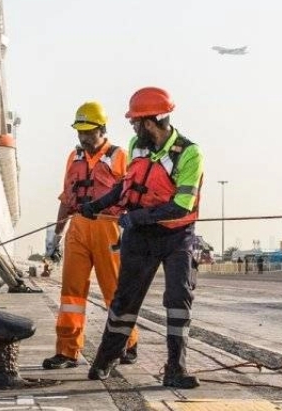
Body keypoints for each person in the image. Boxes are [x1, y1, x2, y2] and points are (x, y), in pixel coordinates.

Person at [79, 87, 205, 388]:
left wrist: (136, 217)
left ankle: (176, 369)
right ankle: (105, 360)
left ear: (149, 123)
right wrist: (96, 206)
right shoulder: (138, 145)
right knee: (125, 300)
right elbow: (126, 187)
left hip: (177, 237)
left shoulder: (190, 153)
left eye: (135, 123)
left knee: (178, 299)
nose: (133, 129)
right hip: (141, 238)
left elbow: (181, 206)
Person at [40, 102, 138, 370]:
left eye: (89, 132)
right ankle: (67, 351)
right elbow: (66, 198)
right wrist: (55, 238)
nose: (83, 138)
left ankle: (127, 343)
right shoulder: (74, 158)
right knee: (71, 293)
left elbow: (131, 196)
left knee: (114, 291)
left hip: (109, 228)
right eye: (79, 132)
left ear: (102, 129)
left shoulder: (120, 156)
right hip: (78, 228)